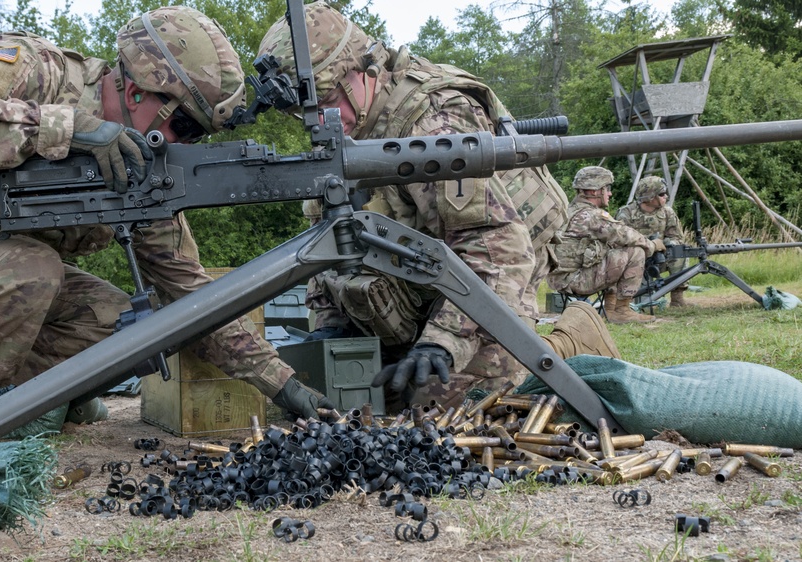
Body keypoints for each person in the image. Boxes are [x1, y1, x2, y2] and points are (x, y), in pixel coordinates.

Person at [0, 6, 332, 424]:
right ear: (139, 92)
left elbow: (190, 296)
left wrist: (282, 384)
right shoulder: (35, 71)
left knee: (132, 330)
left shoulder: (143, 169)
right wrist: (67, 131)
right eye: (185, 124)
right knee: (29, 270)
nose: (185, 144)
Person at [256, 2, 619, 407]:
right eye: (302, 113)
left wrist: (443, 342)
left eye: (326, 100)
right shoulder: (336, 132)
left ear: (362, 70)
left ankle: (570, 340)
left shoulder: (431, 122)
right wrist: (332, 327)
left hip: (504, 258)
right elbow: (330, 243)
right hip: (426, 268)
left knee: (450, 406)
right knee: (374, 399)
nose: (320, 120)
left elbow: (499, 246)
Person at [547, 166, 667, 324]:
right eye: (607, 189)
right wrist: (653, 245)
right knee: (636, 251)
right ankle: (622, 310)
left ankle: (610, 309)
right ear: (594, 191)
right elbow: (624, 233)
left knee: (613, 247)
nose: (609, 193)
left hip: (562, 279)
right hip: (575, 280)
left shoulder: (571, 210)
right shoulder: (591, 216)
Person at [615, 176, 691, 307]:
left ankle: (677, 299)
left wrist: (667, 244)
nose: (665, 196)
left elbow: (677, 237)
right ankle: (627, 301)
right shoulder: (626, 214)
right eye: (661, 194)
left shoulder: (667, 212)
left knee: (680, 251)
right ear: (650, 197)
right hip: (634, 260)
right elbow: (619, 242)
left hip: (659, 258)